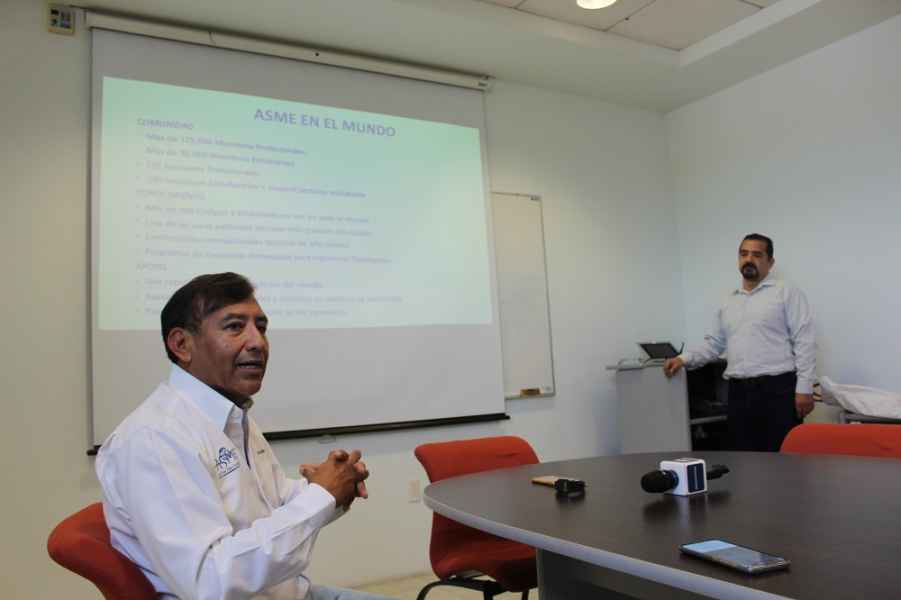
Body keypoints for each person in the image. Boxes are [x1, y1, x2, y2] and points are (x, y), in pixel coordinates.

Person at [96, 272, 392, 600]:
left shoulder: (231, 415)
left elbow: (271, 505)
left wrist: (332, 487)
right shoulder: (154, 438)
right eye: (235, 327)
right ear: (181, 344)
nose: (258, 342)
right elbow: (209, 581)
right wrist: (320, 496)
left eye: (261, 327)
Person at [663, 234, 816, 452]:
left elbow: (804, 340)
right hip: (739, 393)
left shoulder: (786, 292)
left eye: (757, 255)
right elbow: (715, 343)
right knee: (743, 458)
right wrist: (683, 359)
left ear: (770, 262)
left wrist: (804, 388)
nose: (749, 259)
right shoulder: (729, 301)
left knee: (784, 458)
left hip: (778, 390)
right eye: (744, 254)